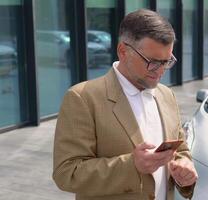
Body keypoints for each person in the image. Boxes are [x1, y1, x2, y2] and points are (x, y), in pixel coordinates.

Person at [53, 9, 198, 200]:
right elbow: (66, 173)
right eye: (153, 62)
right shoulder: (83, 98)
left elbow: (180, 152)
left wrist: (185, 170)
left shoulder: (166, 95)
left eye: (167, 61)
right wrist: (132, 166)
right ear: (123, 51)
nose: (161, 70)